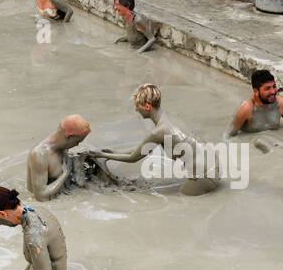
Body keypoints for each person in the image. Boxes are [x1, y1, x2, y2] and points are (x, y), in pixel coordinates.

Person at [88, 83, 220, 196]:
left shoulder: (160, 131)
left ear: (147, 107)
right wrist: (112, 151)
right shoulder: (170, 119)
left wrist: (101, 155)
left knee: (182, 200)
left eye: (137, 106)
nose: (136, 110)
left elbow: (133, 158)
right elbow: (139, 150)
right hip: (216, 167)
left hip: (205, 177)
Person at [26, 114, 119, 199]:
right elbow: (40, 196)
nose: (77, 145)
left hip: (64, 194)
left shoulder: (63, 146)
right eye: (77, 141)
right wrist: (64, 175)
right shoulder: (39, 155)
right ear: (69, 136)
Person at [228, 69, 283, 135]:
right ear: (256, 91)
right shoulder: (245, 109)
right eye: (267, 88)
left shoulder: (282, 104)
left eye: (274, 86)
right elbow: (227, 137)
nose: (273, 91)